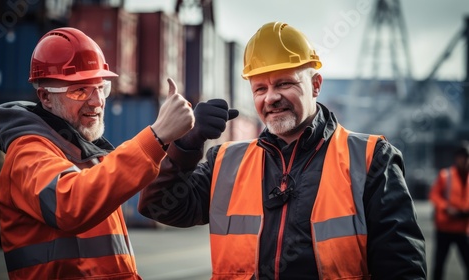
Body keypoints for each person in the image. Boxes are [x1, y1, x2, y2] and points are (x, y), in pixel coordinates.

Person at [138, 21, 427, 279]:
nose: (271, 97)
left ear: (315, 85)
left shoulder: (371, 158)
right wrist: (186, 145)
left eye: (284, 83)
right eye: (260, 88)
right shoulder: (225, 162)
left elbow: (402, 268)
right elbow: (158, 206)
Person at [0, 27, 194, 280]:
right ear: (45, 97)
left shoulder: (87, 154)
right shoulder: (27, 154)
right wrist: (156, 136)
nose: (97, 101)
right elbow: (71, 203)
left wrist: (188, 143)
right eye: (80, 90)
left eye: (101, 87)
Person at [429, 141, 469, 280]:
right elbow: (434, 195)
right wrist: (447, 208)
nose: (465, 160)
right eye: (463, 156)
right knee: (439, 265)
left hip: (463, 228)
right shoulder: (445, 175)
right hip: (445, 227)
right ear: (457, 158)